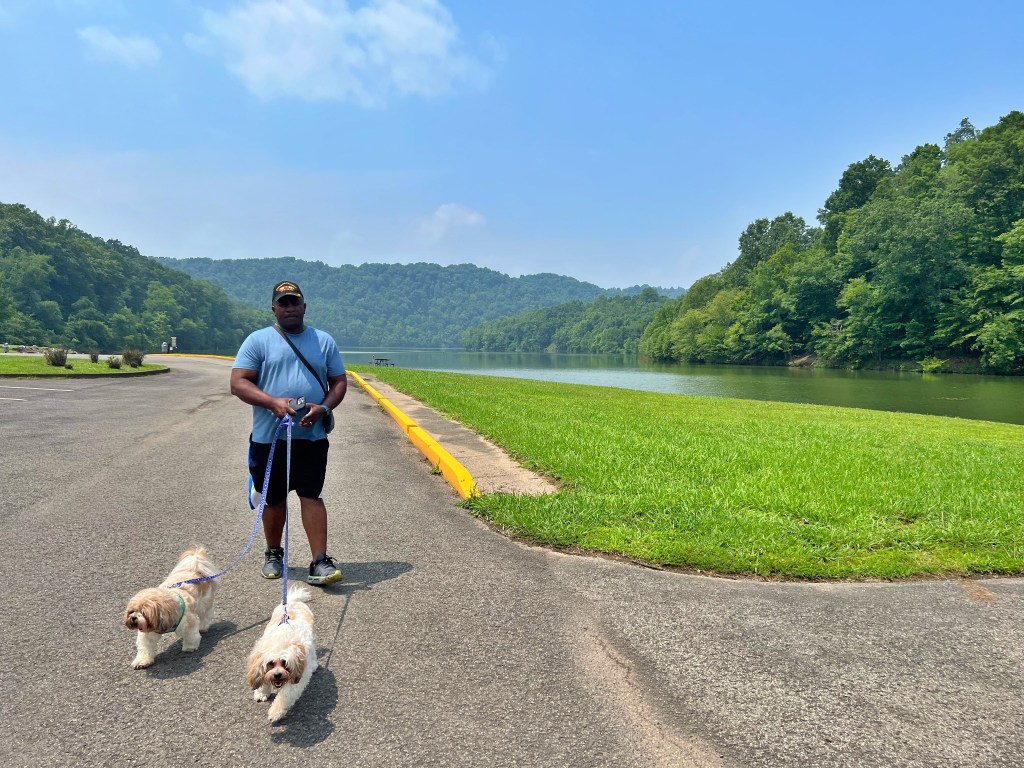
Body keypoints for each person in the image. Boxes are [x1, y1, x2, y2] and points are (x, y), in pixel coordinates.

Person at [230, 280, 347, 585]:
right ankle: (273, 553)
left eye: (295, 302)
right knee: (273, 499)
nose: (290, 307)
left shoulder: (324, 342)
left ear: (304, 307)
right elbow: (238, 382)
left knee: (312, 495)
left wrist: (324, 408)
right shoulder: (257, 341)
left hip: (312, 438)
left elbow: (339, 382)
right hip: (269, 439)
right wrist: (272, 402)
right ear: (274, 308)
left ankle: (319, 561)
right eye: (283, 303)